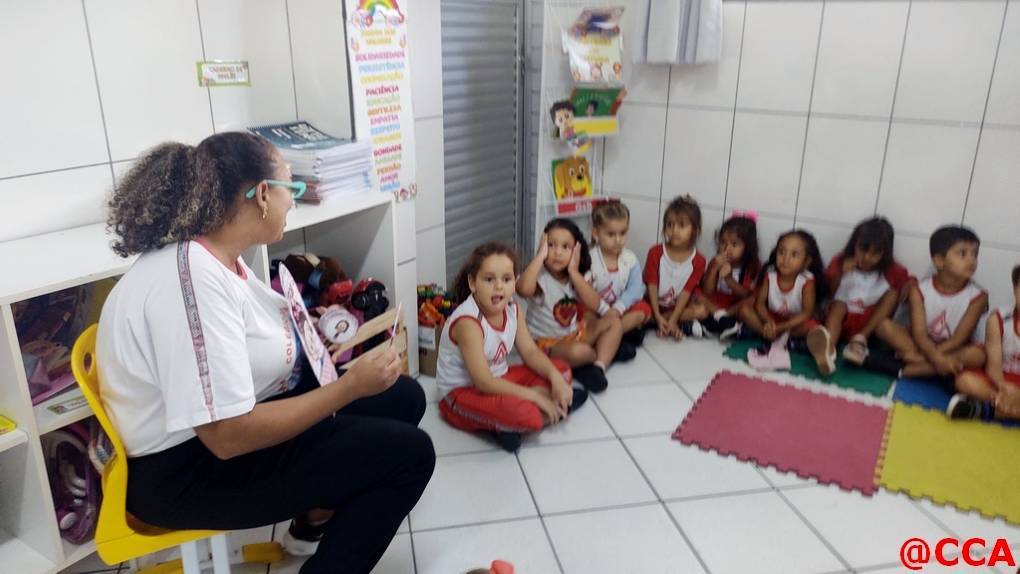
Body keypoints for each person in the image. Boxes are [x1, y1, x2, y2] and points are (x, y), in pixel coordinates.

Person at [96, 132, 435, 574]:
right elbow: (227, 436)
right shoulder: (192, 280)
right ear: (261, 195)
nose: (293, 201)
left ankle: (313, 520)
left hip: (212, 438)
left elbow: (243, 339)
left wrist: (311, 335)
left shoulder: (216, 253)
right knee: (410, 455)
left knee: (403, 397)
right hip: (185, 472)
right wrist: (349, 387)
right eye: (291, 187)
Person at [436, 242, 587, 452]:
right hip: (461, 394)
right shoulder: (468, 324)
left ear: (515, 282)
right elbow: (483, 382)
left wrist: (555, 379)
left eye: (506, 279)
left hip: (500, 379)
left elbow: (531, 352)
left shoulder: (513, 309)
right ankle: (545, 410)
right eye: (489, 279)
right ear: (473, 283)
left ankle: (512, 424)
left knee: (561, 370)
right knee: (530, 417)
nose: (499, 287)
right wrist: (535, 396)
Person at [518, 218, 623, 393]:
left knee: (614, 322)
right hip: (547, 346)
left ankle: (598, 367)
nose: (557, 252)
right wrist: (539, 257)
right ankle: (603, 352)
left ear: (576, 251)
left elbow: (594, 304)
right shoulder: (541, 277)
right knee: (579, 352)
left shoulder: (575, 276)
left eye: (565, 247)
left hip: (574, 335)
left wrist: (574, 272)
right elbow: (522, 289)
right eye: (551, 245)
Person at [874, 225, 987, 379]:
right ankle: (939, 367)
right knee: (884, 326)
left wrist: (926, 357)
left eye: (975, 254)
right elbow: (919, 333)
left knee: (978, 355)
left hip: (952, 348)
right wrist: (935, 357)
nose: (971, 260)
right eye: (963, 254)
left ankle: (911, 369)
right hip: (920, 345)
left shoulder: (979, 297)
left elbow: (959, 339)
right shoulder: (919, 290)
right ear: (939, 261)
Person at [809, 217, 912, 375]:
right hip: (841, 321)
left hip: (869, 327)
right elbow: (826, 293)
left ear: (885, 253)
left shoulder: (892, 271)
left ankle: (859, 341)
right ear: (854, 245)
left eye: (875, 253)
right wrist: (840, 273)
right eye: (863, 250)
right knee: (838, 306)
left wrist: (910, 286)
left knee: (893, 293)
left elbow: (909, 283)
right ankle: (828, 350)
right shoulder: (840, 261)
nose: (867, 258)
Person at [737, 230, 828, 371]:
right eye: (781, 252)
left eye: (794, 255)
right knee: (744, 310)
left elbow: (806, 313)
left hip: (793, 322)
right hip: (772, 318)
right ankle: (774, 336)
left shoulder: (807, 281)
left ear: (806, 262)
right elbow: (760, 304)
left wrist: (781, 327)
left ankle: (770, 336)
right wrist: (769, 322)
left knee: (813, 328)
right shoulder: (770, 274)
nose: (785, 259)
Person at [948, 264, 1020, 420]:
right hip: (1002, 383)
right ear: (1015, 290)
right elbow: (993, 366)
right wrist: (1003, 386)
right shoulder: (998, 319)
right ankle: (1004, 407)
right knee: (963, 381)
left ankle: (987, 411)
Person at [589, 201, 651, 359]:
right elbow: (584, 292)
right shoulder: (589, 259)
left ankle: (608, 339)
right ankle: (613, 341)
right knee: (583, 315)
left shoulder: (630, 259)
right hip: (595, 309)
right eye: (611, 234)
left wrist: (618, 308)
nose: (618, 240)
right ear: (596, 233)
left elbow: (635, 290)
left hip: (619, 311)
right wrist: (604, 310)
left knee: (643, 310)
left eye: (623, 233)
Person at [644, 195, 707, 340]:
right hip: (653, 305)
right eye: (670, 225)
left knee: (702, 311)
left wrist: (673, 319)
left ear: (695, 230)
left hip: (678, 308)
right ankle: (663, 322)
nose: (674, 230)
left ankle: (667, 323)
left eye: (682, 225)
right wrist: (657, 314)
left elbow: (686, 292)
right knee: (639, 313)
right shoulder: (655, 252)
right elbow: (651, 286)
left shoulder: (699, 261)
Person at [697, 211, 760, 340]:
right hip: (715, 304)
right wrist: (713, 268)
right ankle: (722, 319)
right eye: (723, 242)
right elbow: (707, 291)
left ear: (747, 247)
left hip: (735, 306)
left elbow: (746, 295)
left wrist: (729, 279)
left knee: (754, 299)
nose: (727, 248)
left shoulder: (752, 266)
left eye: (734, 244)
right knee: (694, 292)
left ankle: (723, 319)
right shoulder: (716, 261)